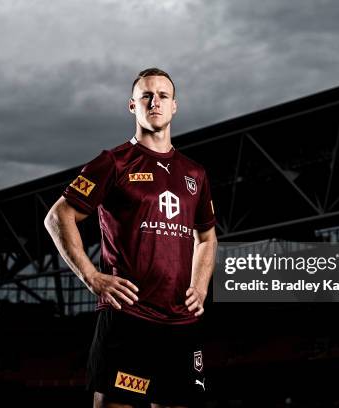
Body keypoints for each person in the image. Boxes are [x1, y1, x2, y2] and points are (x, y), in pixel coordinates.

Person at [44, 68, 218, 408]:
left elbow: (207, 237)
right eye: (146, 96)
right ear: (132, 106)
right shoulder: (113, 162)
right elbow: (58, 216)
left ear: (174, 107)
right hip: (129, 318)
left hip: (182, 322)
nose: (155, 102)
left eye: (163, 96)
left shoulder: (194, 173)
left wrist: (200, 285)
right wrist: (92, 276)